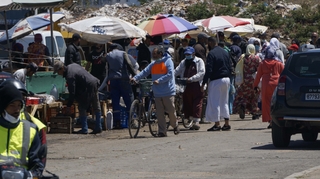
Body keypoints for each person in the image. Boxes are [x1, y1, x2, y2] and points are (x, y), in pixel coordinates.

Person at [132, 46, 179, 137]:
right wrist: (135, 78)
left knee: (171, 111)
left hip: (168, 91)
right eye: (153, 54)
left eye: (155, 54)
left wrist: (159, 80)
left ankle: (175, 125)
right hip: (157, 92)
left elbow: (170, 74)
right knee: (159, 113)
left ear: (160, 54)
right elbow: (145, 72)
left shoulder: (168, 61)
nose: (153, 55)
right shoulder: (153, 64)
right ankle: (162, 131)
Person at [1, 79, 47, 169]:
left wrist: (34, 174)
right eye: (12, 104)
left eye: (19, 103)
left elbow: (39, 159)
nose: (17, 109)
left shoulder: (34, 127)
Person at [53, 60, 102, 134]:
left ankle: (84, 129)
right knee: (96, 106)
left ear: (62, 68)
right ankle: (98, 126)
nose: (58, 74)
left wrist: (69, 105)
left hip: (88, 86)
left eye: (58, 72)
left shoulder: (70, 75)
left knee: (82, 108)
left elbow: (72, 92)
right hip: (94, 82)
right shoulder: (72, 65)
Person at [202, 37, 232, 131]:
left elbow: (209, 69)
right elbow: (230, 66)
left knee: (215, 102)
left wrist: (204, 82)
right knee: (224, 101)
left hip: (216, 80)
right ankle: (226, 123)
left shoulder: (211, 53)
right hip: (226, 79)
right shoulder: (225, 52)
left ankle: (217, 124)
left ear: (211, 43)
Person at [105, 43, 138, 129]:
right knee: (129, 100)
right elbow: (129, 65)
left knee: (115, 101)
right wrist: (135, 76)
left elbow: (106, 66)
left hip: (113, 80)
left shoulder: (108, 55)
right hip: (123, 79)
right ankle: (132, 121)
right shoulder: (123, 53)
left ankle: (117, 122)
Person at [175, 46, 205, 130]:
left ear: (193, 54)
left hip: (196, 85)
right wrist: (170, 76)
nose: (187, 56)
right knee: (187, 103)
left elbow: (202, 73)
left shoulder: (199, 61)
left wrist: (192, 79)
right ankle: (190, 119)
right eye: (186, 54)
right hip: (185, 86)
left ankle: (197, 122)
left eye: (189, 54)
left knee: (197, 103)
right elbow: (177, 71)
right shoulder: (183, 62)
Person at [253, 47, 284, 128]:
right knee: (275, 102)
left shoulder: (263, 63)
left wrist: (255, 86)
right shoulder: (278, 63)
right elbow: (284, 74)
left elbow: (258, 76)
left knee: (267, 103)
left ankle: (270, 121)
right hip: (276, 84)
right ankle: (275, 120)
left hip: (266, 85)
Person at [233, 44, 261, 120]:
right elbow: (260, 68)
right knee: (254, 96)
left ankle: (243, 105)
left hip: (244, 80)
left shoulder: (242, 57)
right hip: (254, 80)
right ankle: (254, 112)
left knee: (244, 95)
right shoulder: (256, 58)